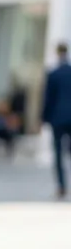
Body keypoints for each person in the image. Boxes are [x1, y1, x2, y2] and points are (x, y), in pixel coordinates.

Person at [42, 42, 71, 199]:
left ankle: (61, 186)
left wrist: (44, 118)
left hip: (57, 119)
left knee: (58, 154)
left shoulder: (53, 74)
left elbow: (48, 99)